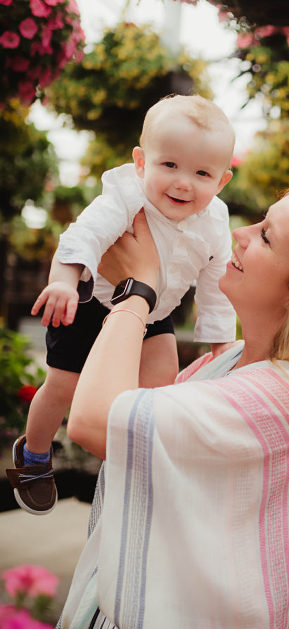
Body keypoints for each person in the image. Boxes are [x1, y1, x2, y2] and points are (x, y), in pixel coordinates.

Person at [57, 185, 289, 629]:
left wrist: (139, 292)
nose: (238, 233)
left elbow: (95, 422)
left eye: (266, 237)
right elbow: (143, 416)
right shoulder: (239, 363)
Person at [6, 94, 237, 516]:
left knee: (162, 383)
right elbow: (83, 236)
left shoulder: (216, 221)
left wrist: (220, 344)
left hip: (153, 312)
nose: (183, 182)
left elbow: (215, 284)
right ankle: (35, 455)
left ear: (222, 181)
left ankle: (138, 462)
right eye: (169, 165)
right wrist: (62, 281)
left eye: (202, 173)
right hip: (91, 301)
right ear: (141, 161)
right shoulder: (126, 196)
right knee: (64, 386)